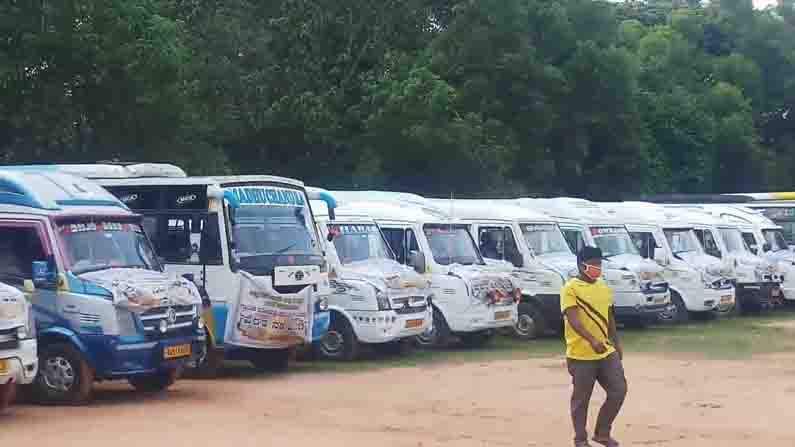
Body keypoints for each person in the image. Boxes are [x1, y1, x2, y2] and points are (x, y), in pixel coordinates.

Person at [561, 246, 627, 447]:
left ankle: (602, 434)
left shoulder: (603, 287)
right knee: (582, 399)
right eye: (595, 264)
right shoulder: (570, 288)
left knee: (619, 390)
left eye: (600, 263)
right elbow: (573, 320)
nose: (598, 267)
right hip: (581, 355)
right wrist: (591, 340)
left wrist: (616, 342)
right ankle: (580, 440)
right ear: (582, 265)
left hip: (606, 352)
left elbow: (609, 317)